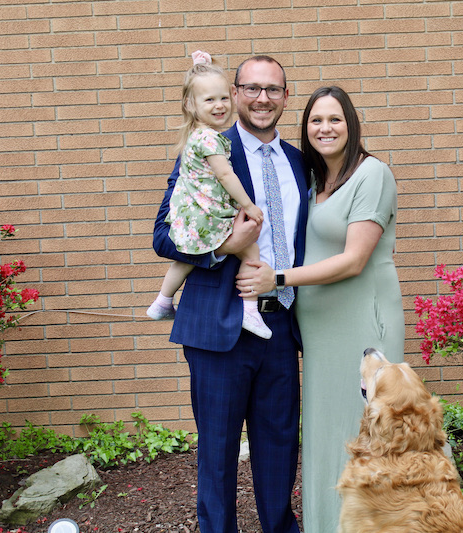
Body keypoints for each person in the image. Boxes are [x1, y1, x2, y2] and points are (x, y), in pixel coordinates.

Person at [236, 86, 405, 533]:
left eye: (335, 119)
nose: (325, 128)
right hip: (319, 330)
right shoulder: (313, 182)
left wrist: (278, 279)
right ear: (305, 127)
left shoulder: (373, 175)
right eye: (316, 120)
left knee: (371, 434)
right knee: (328, 434)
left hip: (362, 326)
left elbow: (353, 260)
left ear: (351, 124)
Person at [152, 54, 308, 533]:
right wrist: (225, 247)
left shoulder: (301, 163)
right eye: (252, 88)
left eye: (274, 89)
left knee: (280, 444)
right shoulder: (206, 149)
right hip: (220, 327)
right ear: (236, 94)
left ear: (285, 96)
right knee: (217, 449)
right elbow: (164, 234)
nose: (263, 99)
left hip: (281, 321)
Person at [147, 50, 271, 340]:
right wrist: (248, 206)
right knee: (250, 249)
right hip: (209, 218)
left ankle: (162, 300)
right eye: (209, 100)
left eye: (223, 98)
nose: (219, 106)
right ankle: (250, 310)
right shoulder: (211, 139)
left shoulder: (194, 137)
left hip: (191, 219)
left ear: (233, 96)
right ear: (191, 104)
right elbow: (226, 175)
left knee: (187, 259)